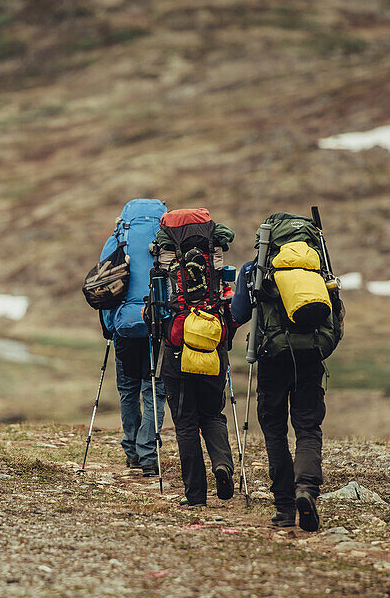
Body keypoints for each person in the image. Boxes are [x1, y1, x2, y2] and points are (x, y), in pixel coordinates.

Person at [231, 212, 343, 531]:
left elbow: (238, 312)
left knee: (275, 430)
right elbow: (336, 317)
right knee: (308, 429)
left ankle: (284, 507)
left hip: (272, 359)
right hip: (311, 359)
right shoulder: (320, 271)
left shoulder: (258, 269)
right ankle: (306, 490)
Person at [149, 208, 237, 506]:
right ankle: (223, 465)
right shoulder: (215, 251)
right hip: (214, 345)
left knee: (186, 423)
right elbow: (231, 304)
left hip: (177, 348)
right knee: (213, 414)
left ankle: (195, 495)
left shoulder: (164, 257)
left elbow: (156, 311)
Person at [98, 199, 168, 477]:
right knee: (153, 392)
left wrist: (110, 327)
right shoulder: (166, 240)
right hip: (158, 326)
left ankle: (131, 453)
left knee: (128, 391)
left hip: (124, 328)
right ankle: (149, 455)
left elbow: (103, 286)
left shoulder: (118, 240)